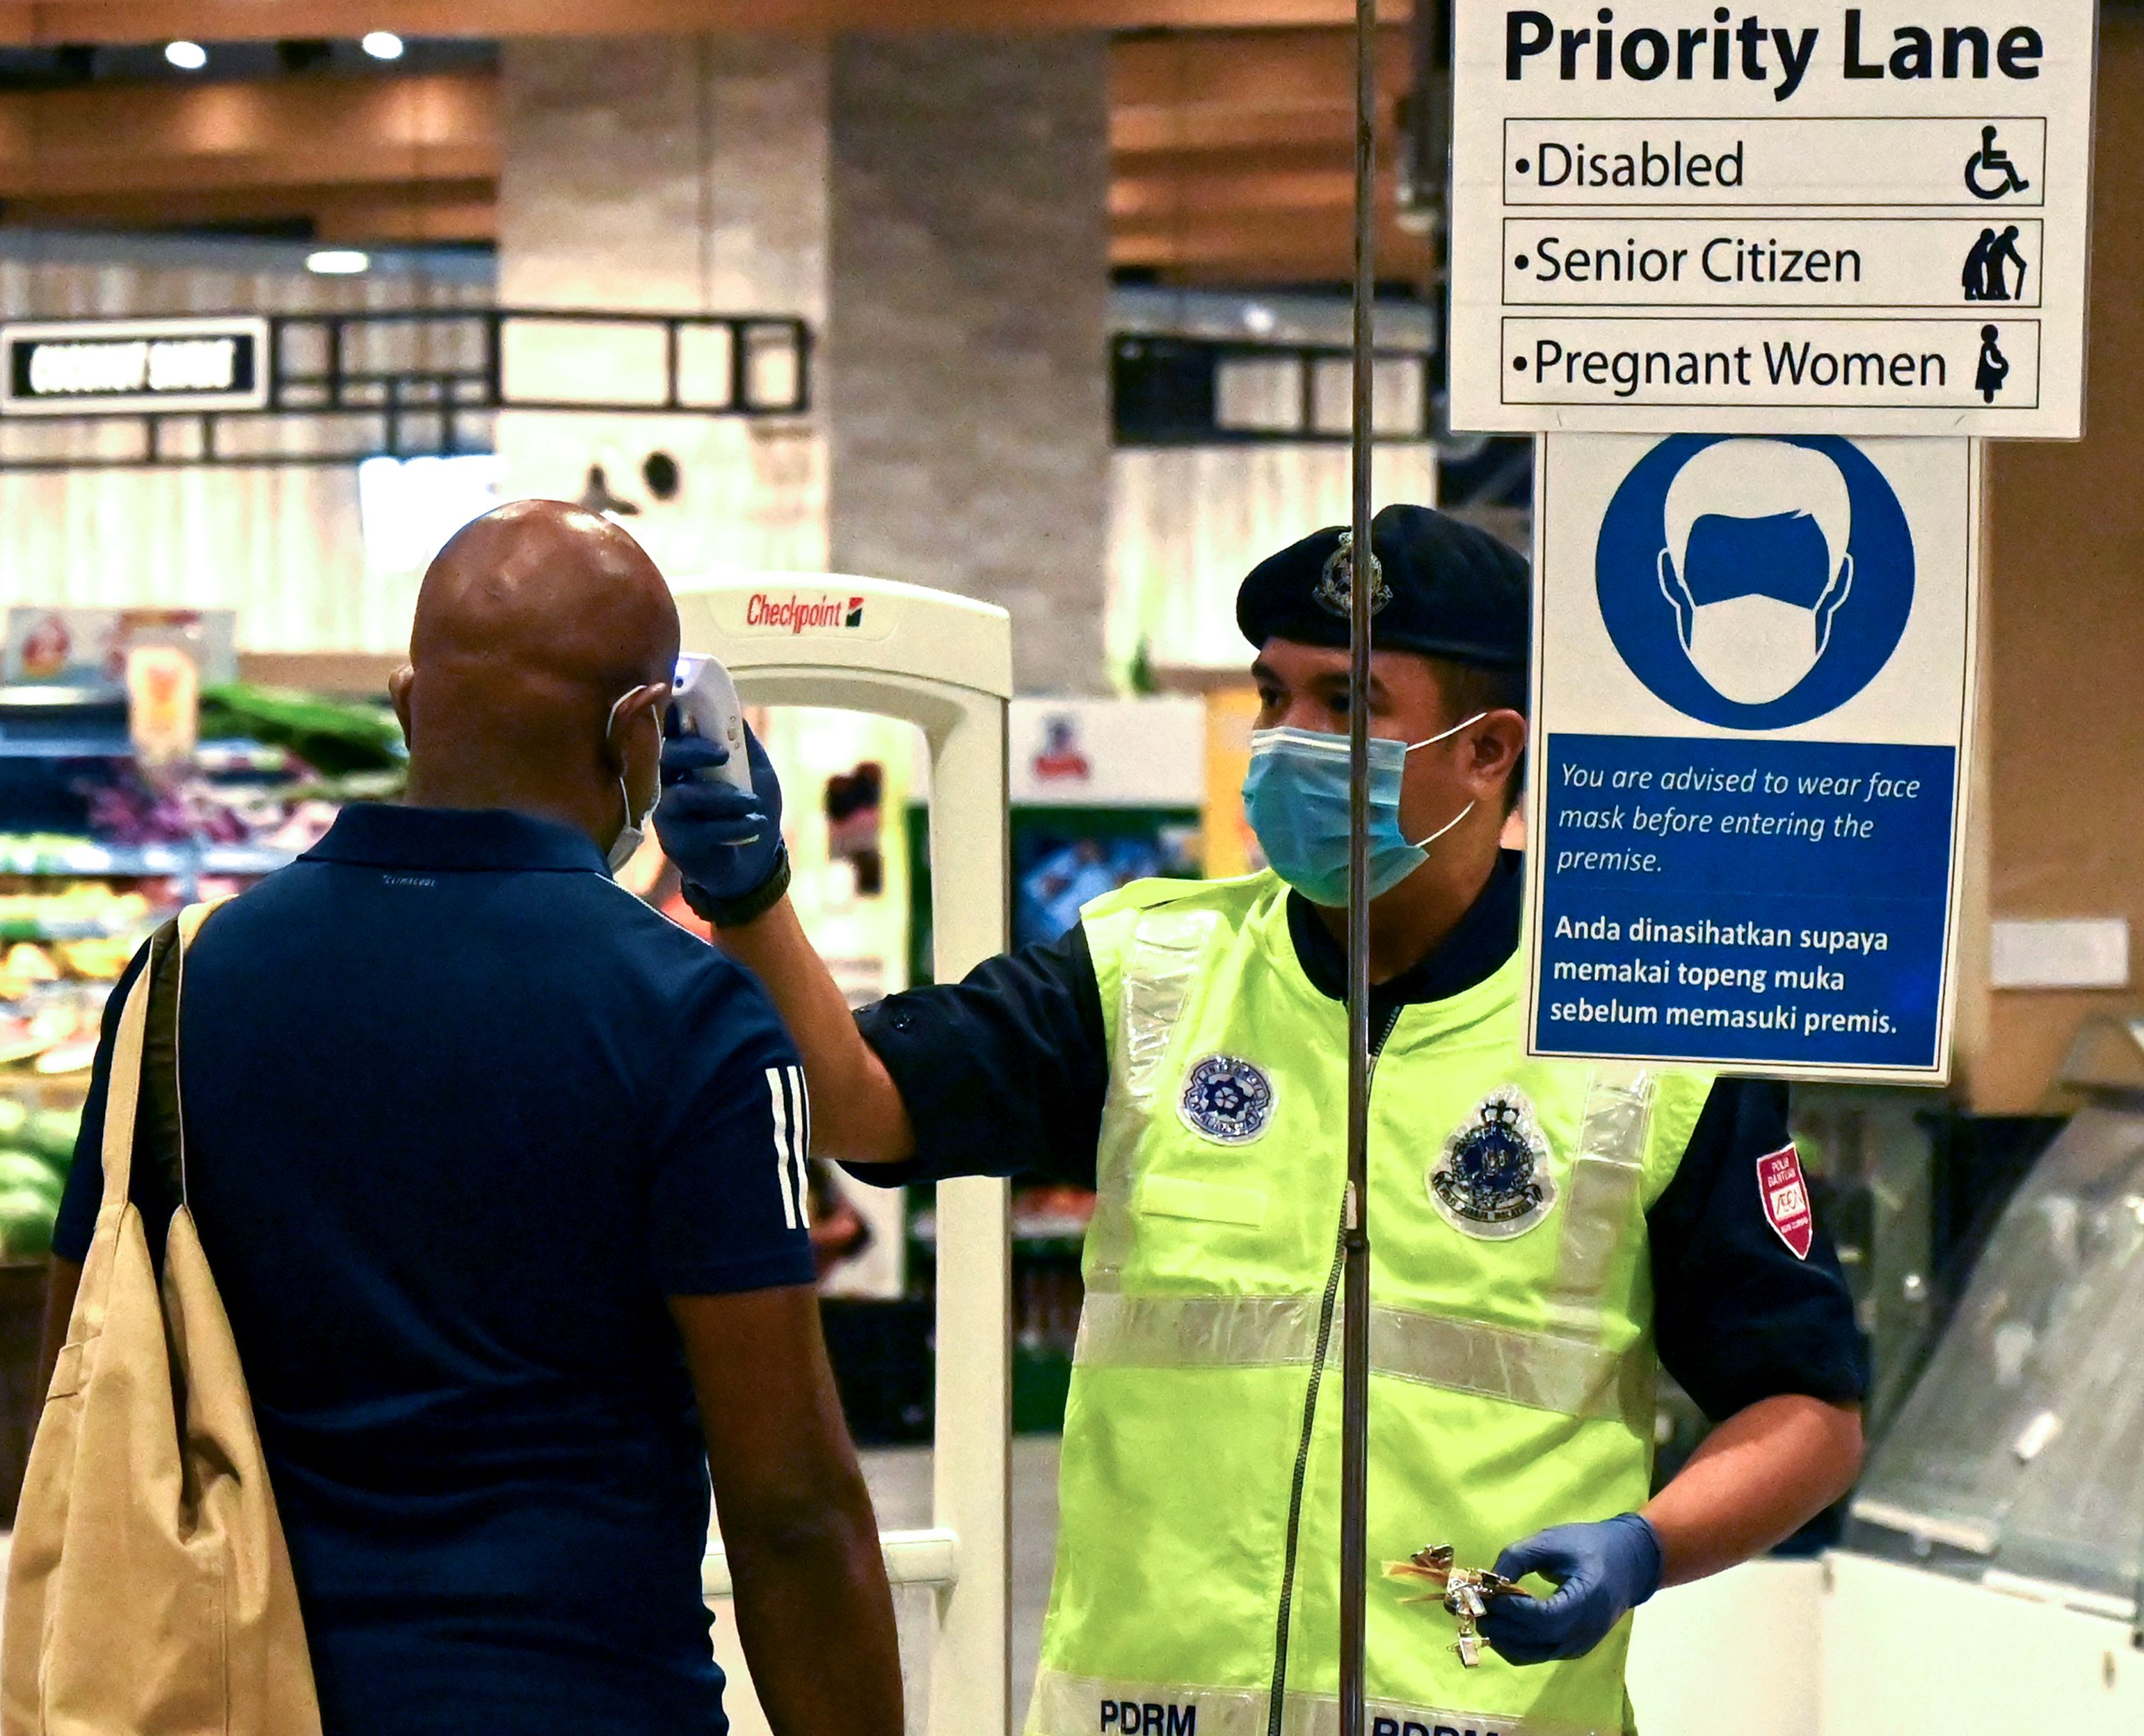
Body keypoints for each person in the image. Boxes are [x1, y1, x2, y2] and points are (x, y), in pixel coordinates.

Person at [657, 504, 1869, 1736]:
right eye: (1271, 695)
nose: (1286, 739)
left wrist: (1642, 1549)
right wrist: (752, 899)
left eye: (1345, 703)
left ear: (1487, 748)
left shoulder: (1637, 1033)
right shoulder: (1150, 971)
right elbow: (864, 1099)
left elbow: (1808, 1411)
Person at [40, 501, 902, 1736]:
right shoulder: (690, 1015)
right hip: (588, 1698)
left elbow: (73, 1368)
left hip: (243, 1694)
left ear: (406, 702)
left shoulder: (183, 981)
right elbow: (792, 1509)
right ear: (640, 735)